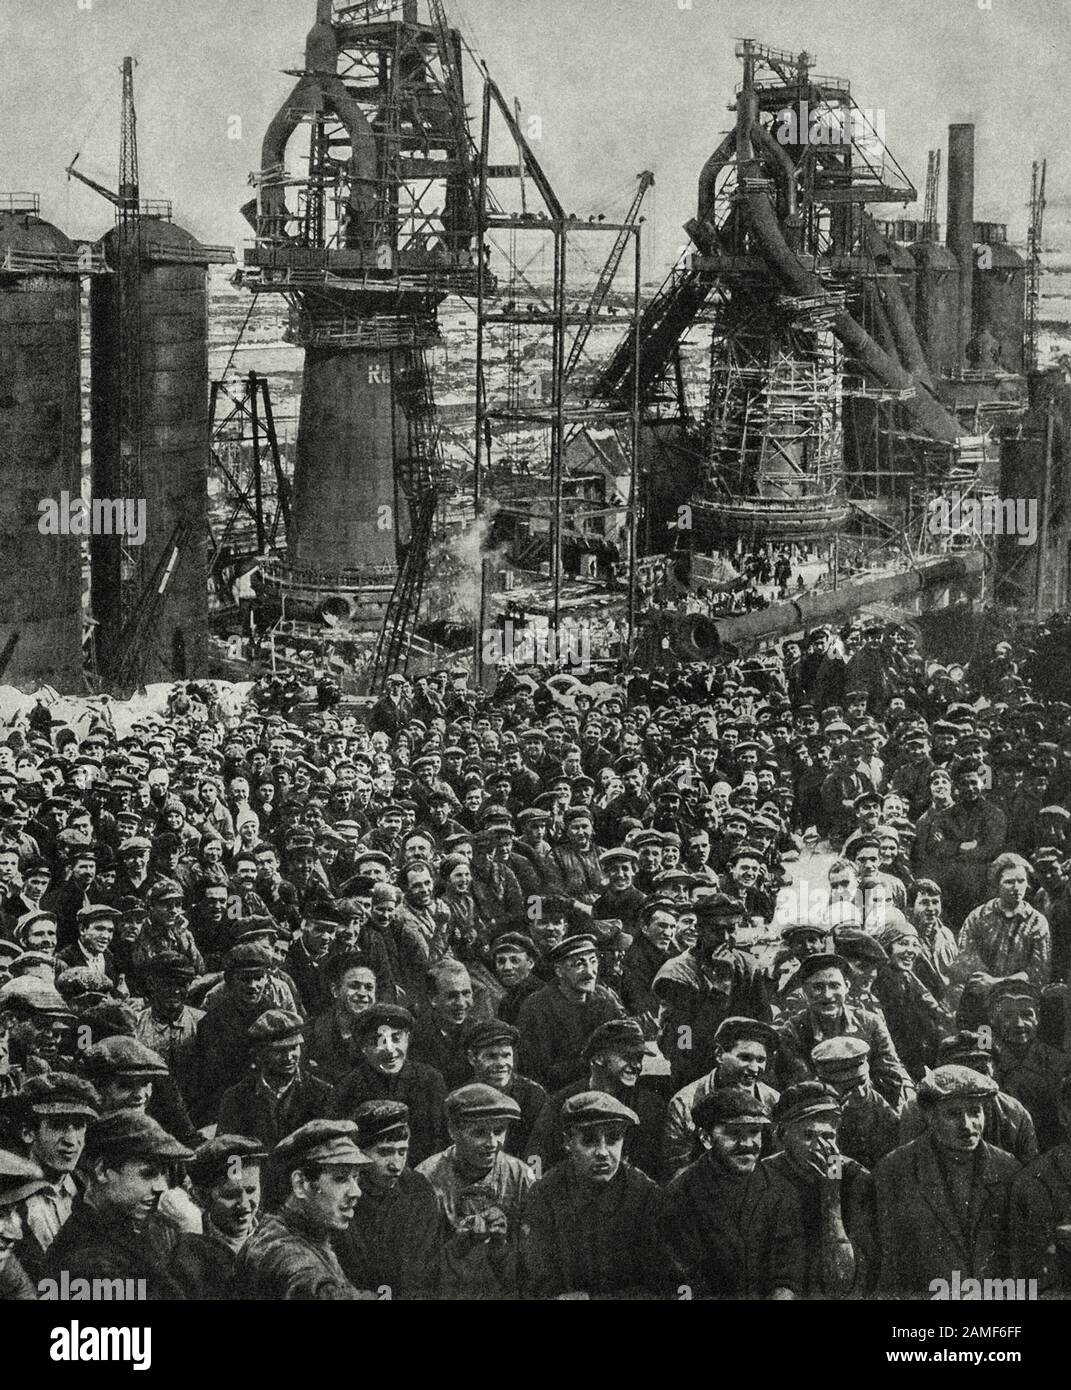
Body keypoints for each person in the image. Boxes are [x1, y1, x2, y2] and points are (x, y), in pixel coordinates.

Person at [873, 1065, 1021, 1297]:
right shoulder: (895, 1170)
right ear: (930, 1116)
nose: (967, 1125)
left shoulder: (1007, 1168)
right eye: (953, 1114)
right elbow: (891, 1265)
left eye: (975, 1112)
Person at [520, 1091, 667, 1299]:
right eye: (589, 1141)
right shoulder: (545, 1195)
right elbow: (534, 1279)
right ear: (568, 1142)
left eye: (614, 1139)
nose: (603, 1152)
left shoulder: (646, 1196)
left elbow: (663, 1285)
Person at [44, 1109, 196, 1300]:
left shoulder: (137, 1230)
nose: (160, 1188)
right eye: (148, 1173)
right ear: (102, 1171)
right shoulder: (88, 1260)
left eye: (162, 1174)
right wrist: (192, 1236)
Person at [661, 1087, 789, 1299]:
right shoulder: (680, 1195)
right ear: (706, 1138)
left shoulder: (777, 1188)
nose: (747, 1144)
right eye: (733, 1133)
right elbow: (681, 1283)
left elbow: (787, 1267)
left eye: (754, 1132)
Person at [416, 1083, 532, 1299]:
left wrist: (501, 1246)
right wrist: (459, 1245)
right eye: (479, 1132)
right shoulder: (426, 1179)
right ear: (453, 1131)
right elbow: (417, 1269)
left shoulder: (521, 1176)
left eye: (499, 1131)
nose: (492, 1143)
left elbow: (535, 1262)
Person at [760, 1082, 876, 1297]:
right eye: (808, 1136)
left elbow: (843, 1279)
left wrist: (831, 1191)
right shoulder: (765, 1174)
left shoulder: (855, 1176)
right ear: (783, 1135)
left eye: (828, 1137)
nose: (819, 1147)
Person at [237, 1120, 370, 1300]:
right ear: (300, 1184)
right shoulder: (288, 1257)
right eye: (340, 1178)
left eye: (355, 1177)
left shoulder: (289, 1232)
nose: (356, 1191)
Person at [526, 1017, 665, 1180]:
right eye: (627, 1057)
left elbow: (657, 1168)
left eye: (639, 1058)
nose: (637, 1065)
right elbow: (535, 1157)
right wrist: (534, 1184)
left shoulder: (649, 1106)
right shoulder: (561, 1102)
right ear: (598, 1058)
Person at [333, 1100, 441, 1300]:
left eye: (402, 1152)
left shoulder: (417, 1190)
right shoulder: (340, 1194)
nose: (396, 1164)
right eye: (384, 1152)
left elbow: (424, 1268)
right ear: (359, 1152)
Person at [776, 953, 913, 1109]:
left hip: (868, 1106)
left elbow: (890, 1076)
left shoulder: (870, 1022)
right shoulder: (792, 1031)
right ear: (805, 991)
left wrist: (862, 1098)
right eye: (818, 987)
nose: (827, 995)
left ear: (847, 986)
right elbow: (800, 1085)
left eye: (834, 986)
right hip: (819, 1112)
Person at [663, 1016, 780, 1182]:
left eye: (761, 1060)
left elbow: (778, 1165)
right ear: (719, 1055)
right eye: (745, 1058)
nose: (755, 1068)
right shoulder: (685, 1103)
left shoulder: (774, 1101)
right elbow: (677, 1171)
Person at [8, 1071, 100, 1280]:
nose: (71, 1139)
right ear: (27, 1133)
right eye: (58, 1125)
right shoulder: (8, 1198)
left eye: (78, 1126)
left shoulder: (91, 1190)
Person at [330, 1003, 447, 1165]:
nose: (390, 1050)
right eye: (378, 1041)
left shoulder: (431, 1080)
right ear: (364, 1047)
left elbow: (442, 1139)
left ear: (407, 1038)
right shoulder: (348, 1087)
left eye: (396, 1038)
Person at [516, 934, 624, 1090]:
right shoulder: (536, 1007)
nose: (590, 972)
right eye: (579, 964)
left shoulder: (604, 999)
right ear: (559, 971)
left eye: (593, 962)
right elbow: (538, 1071)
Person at [171, 1136, 266, 1299]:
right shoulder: (186, 1258)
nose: (244, 1204)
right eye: (230, 1195)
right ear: (200, 1196)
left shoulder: (276, 1237)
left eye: (251, 1190)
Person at [0, 1149, 51, 1301]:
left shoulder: (6, 1265)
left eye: (13, 1210)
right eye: (0, 1214)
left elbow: (24, 1293)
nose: (16, 1233)